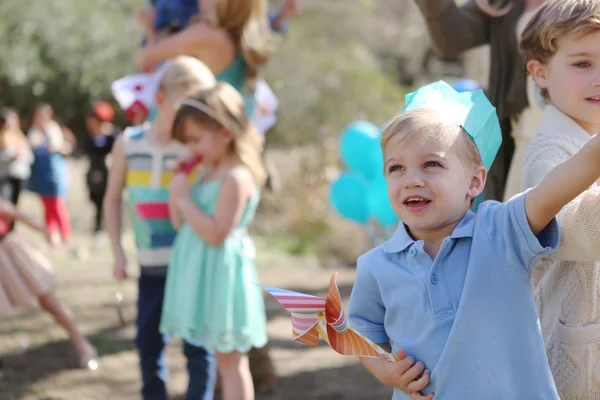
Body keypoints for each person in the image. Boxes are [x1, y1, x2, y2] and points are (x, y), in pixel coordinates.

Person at [345, 78, 600, 399]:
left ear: (475, 181)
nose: (411, 180)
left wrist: (594, 152)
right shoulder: (375, 266)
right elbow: (362, 333)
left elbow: (551, 193)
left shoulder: (501, 231)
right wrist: (387, 370)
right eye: (396, 168)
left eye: (431, 164)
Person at [104, 56, 217, 400]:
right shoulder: (130, 142)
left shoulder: (195, 151)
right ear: (160, 101)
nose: (192, 120)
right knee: (148, 345)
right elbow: (111, 199)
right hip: (150, 267)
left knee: (199, 349)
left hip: (191, 267)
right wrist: (118, 253)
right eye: (186, 108)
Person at [161, 82, 268, 400]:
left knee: (231, 360)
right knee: (218, 357)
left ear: (224, 132)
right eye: (187, 141)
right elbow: (179, 222)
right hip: (201, 274)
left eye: (196, 139)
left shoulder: (236, 176)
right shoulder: (205, 172)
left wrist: (185, 198)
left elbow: (216, 233)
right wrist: (177, 189)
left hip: (223, 275)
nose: (191, 148)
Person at [520, 1, 600, 398]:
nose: (599, 78)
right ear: (540, 73)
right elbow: (575, 231)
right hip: (574, 365)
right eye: (583, 64)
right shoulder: (549, 153)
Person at [412, 0, 545, 202]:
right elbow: (450, 39)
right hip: (526, 135)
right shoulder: (504, 4)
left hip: (583, 127)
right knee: (519, 219)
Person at [0, 194, 97, 370]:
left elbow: (14, 212)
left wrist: (45, 230)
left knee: (48, 300)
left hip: (9, 251)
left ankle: (82, 345)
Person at [27, 104, 73, 247]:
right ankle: (51, 236)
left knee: (58, 205)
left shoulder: (54, 129)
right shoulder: (34, 131)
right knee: (47, 206)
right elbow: (32, 145)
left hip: (55, 173)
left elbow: (63, 146)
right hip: (41, 174)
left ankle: (65, 236)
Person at [85, 101, 119, 244]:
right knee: (97, 205)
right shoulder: (91, 138)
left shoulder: (114, 137)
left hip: (109, 177)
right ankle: (97, 231)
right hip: (95, 176)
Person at [0, 108, 33, 206]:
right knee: (6, 203)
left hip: (19, 175)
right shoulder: (2, 137)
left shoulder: (20, 137)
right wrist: (11, 157)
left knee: (14, 205)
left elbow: (30, 157)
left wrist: (22, 155)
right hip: (5, 176)